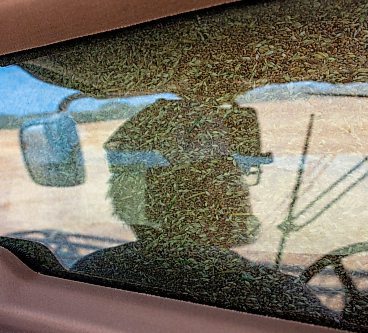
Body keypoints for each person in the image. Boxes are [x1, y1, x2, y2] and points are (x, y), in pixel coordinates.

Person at [71, 98, 339, 325]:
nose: (239, 186)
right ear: (220, 192)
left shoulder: (88, 275)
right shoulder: (276, 298)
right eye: (231, 170)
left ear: (127, 197)